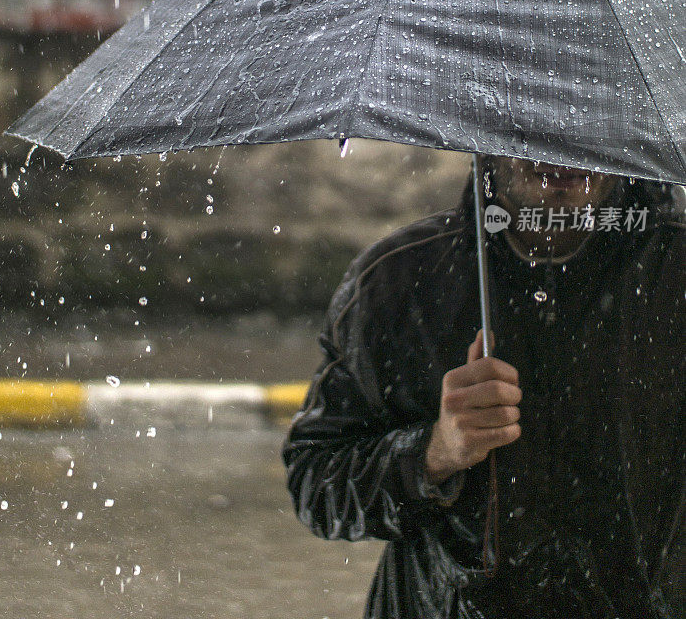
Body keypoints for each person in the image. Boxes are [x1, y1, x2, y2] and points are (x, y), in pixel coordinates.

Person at [281, 154, 684, 619]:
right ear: (487, 137)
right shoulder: (398, 282)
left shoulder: (674, 275)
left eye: (578, 118)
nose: (561, 149)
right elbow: (316, 482)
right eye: (532, 117)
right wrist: (433, 453)